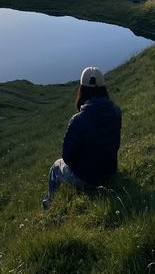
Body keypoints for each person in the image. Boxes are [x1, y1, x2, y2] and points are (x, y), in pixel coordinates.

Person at [42, 66, 122, 210]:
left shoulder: (78, 120)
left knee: (56, 167)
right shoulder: (116, 112)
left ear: (82, 90)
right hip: (110, 172)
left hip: (88, 179)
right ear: (103, 88)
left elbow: (67, 157)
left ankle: (49, 204)